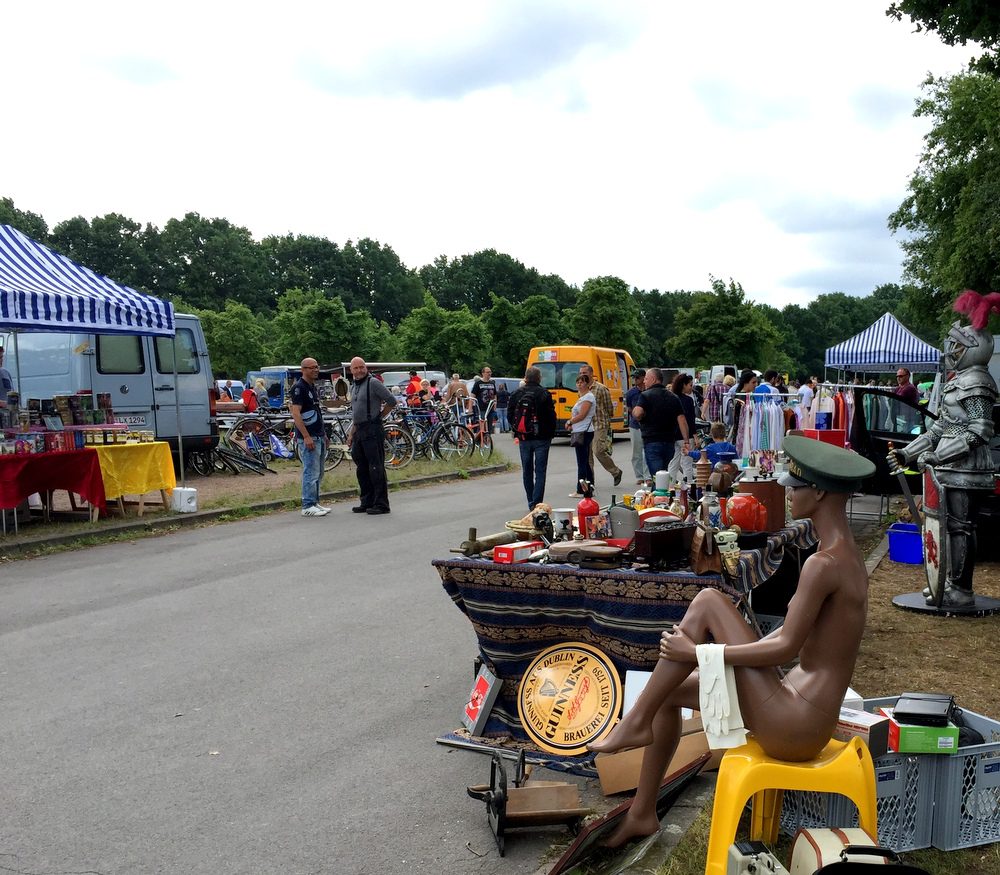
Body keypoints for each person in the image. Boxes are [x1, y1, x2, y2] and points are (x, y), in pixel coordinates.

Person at [589, 436, 876, 848]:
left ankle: (636, 722)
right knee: (670, 691)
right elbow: (788, 634)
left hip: (796, 724)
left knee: (708, 600)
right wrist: (712, 651)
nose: (787, 493)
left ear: (820, 492)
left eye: (794, 487)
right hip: (799, 710)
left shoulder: (823, 563)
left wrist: (701, 653)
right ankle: (642, 812)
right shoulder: (841, 554)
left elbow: (786, 647)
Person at [888, 291, 1000, 608]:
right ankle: (947, 584)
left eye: (959, 346)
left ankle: (961, 589)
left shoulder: (977, 380)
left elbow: (979, 430)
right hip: (951, 467)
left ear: (974, 350)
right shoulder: (958, 380)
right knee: (948, 527)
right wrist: (909, 453)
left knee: (961, 527)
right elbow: (939, 428)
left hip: (966, 467)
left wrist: (939, 456)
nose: (952, 350)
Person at [348, 356, 397, 515]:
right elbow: (356, 414)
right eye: (356, 368)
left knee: (375, 467)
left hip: (372, 429)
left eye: (361, 367)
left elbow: (391, 400)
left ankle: (381, 504)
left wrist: (379, 416)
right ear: (351, 370)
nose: (359, 370)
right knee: (362, 468)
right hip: (359, 430)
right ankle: (366, 501)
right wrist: (351, 434)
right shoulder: (353, 386)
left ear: (366, 368)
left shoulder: (373, 383)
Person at [507, 367, 557, 509]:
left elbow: (510, 415)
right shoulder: (544, 393)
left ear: (525, 377)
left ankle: (530, 501)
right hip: (542, 438)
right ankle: (537, 502)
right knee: (540, 471)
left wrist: (518, 430)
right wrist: (550, 434)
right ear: (539, 378)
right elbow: (551, 416)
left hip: (524, 437)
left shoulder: (516, 394)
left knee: (527, 470)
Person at [290, 357, 330, 517]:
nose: (316, 370)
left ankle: (314, 502)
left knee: (319, 471)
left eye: (317, 367)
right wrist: (306, 436)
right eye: (312, 367)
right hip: (309, 436)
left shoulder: (312, 387)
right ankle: (307, 504)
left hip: (318, 434)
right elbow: (296, 413)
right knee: (310, 471)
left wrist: (323, 434)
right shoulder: (299, 388)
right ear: (303, 370)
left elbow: (317, 412)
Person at [632, 367, 689, 479]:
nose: (644, 381)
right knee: (664, 472)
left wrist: (637, 414)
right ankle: (664, 494)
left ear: (653, 379)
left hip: (652, 441)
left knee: (657, 477)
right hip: (669, 442)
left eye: (646, 378)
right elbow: (682, 420)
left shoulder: (645, 395)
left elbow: (638, 413)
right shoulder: (673, 397)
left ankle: (659, 496)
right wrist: (686, 441)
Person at [579, 363, 623, 488]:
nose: (582, 376)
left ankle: (615, 471)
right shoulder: (581, 389)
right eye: (581, 373)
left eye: (585, 373)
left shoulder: (601, 388)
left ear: (591, 374)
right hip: (586, 426)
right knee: (587, 457)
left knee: (598, 451)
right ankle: (590, 482)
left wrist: (607, 424)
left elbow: (609, 407)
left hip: (599, 424)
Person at [666, 373, 697, 488]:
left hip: (673, 435)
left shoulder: (670, 398)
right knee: (687, 463)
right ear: (683, 385)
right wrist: (694, 436)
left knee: (673, 463)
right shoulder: (688, 400)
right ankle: (689, 486)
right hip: (686, 435)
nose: (691, 387)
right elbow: (690, 420)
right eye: (690, 385)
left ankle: (670, 485)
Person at [569, 374, 596, 491]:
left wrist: (570, 422)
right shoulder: (582, 397)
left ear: (587, 384)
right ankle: (590, 485)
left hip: (584, 431)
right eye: (578, 382)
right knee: (584, 461)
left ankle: (581, 489)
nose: (579, 384)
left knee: (582, 461)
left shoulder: (588, 397)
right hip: (579, 430)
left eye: (582, 382)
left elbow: (582, 415)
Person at [626, 369, 650, 485]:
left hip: (648, 424)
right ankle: (639, 475)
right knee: (636, 451)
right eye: (634, 378)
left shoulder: (649, 390)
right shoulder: (631, 393)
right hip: (635, 425)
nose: (635, 380)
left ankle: (648, 475)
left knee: (647, 450)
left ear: (643, 378)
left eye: (637, 378)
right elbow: (629, 407)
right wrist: (636, 415)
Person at [471, 366, 498, 433]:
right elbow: (472, 396)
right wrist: (470, 408)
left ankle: (487, 440)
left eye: (490, 372)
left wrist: (495, 405)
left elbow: (495, 395)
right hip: (481, 409)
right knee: (482, 426)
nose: (489, 373)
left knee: (489, 427)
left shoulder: (492, 383)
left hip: (490, 409)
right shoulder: (478, 383)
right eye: (487, 372)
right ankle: (479, 440)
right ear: (483, 373)